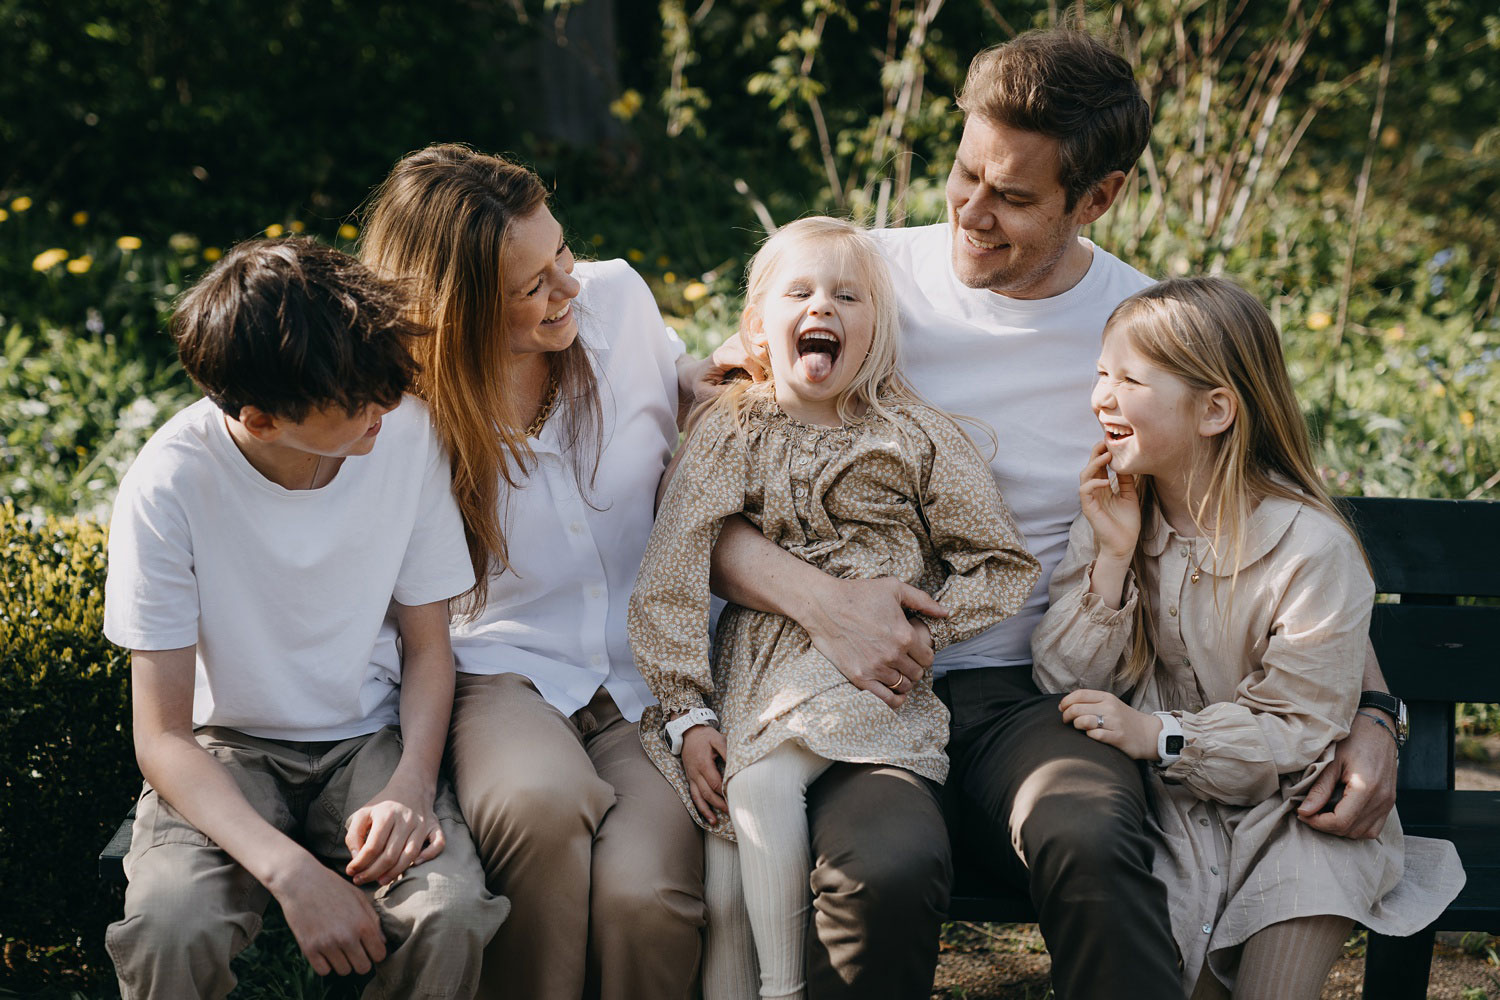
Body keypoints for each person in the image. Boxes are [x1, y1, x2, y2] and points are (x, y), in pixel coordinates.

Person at [689, 29, 1406, 1000]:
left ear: (1099, 197)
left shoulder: (1148, 333)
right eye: (964, 175)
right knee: (883, 868)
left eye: (1014, 197)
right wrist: (825, 603)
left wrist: (1370, 712)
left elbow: (1268, 521)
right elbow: (703, 509)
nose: (972, 215)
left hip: (1040, 695)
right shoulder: (853, 286)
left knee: (1091, 832)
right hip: (847, 693)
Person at [630, 217, 1040, 1000]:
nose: (824, 306)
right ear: (759, 328)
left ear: (877, 331)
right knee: (721, 874)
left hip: (868, 678)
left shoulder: (912, 435)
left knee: (758, 791)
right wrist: (686, 711)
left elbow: (1000, 562)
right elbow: (673, 566)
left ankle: (785, 992)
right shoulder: (731, 432)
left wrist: (915, 630)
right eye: (800, 292)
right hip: (752, 676)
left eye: (847, 296)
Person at [1030, 275, 1464, 998]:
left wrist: (1161, 735)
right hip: (1174, 817)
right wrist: (1110, 557)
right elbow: (1059, 683)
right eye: (1101, 374)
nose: (1101, 398)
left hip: (1305, 815)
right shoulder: (1117, 517)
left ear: (1216, 410)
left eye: (1130, 380)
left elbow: (1297, 727)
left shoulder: (1310, 550)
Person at [102, 238, 507, 999]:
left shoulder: (405, 431)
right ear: (258, 419)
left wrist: (413, 786)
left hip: (369, 743)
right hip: (225, 751)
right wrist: (291, 875)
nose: (383, 410)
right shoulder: (168, 484)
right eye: (354, 403)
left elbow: (428, 648)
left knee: (448, 913)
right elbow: (162, 738)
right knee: (171, 925)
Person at [360, 144, 706, 1000]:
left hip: (648, 670)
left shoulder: (617, 302)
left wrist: (711, 382)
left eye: (564, 254)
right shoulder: (401, 413)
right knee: (537, 805)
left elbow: (680, 387)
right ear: (457, 312)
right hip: (500, 668)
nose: (570, 287)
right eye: (535, 285)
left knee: (645, 898)